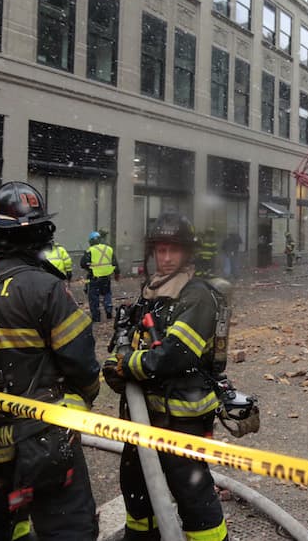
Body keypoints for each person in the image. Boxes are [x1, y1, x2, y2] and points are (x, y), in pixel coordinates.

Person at [0, 181, 100, 539]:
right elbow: (82, 365)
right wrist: (79, 401)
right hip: (43, 440)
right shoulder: (45, 289)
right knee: (68, 527)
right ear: (40, 232)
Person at [102, 212, 229, 541]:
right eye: (161, 250)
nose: (167, 258)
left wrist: (128, 365)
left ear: (187, 254)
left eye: (174, 250)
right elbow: (129, 348)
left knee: (195, 501)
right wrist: (117, 367)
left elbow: (174, 355)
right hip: (142, 419)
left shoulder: (197, 296)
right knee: (137, 494)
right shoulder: (151, 294)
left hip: (180, 421)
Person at [81, 230, 119, 322]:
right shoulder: (109, 249)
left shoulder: (90, 250)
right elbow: (115, 263)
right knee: (107, 293)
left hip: (94, 277)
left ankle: (96, 317)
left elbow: (82, 264)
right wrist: (117, 272)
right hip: (106, 276)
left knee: (93, 297)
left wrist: (90, 268)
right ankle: (108, 310)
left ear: (90, 241)